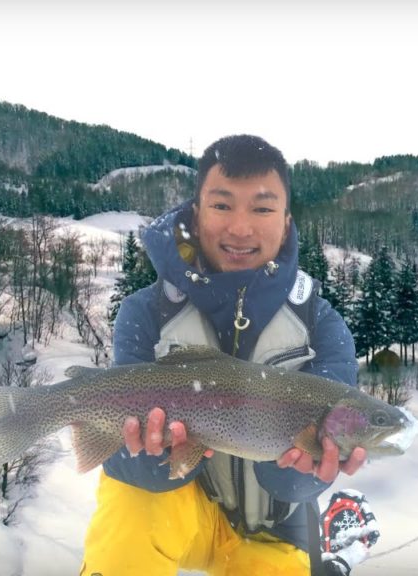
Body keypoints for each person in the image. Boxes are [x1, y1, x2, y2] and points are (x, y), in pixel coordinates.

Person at [82, 135, 366, 576]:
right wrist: (146, 452)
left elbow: (291, 486)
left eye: (262, 208)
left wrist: (308, 469)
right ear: (196, 215)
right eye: (222, 205)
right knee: (130, 512)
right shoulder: (147, 312)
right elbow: (129, 468)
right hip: (182, 506)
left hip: (277, 532)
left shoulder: (320, 326)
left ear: (287, 221)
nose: (240, 228)